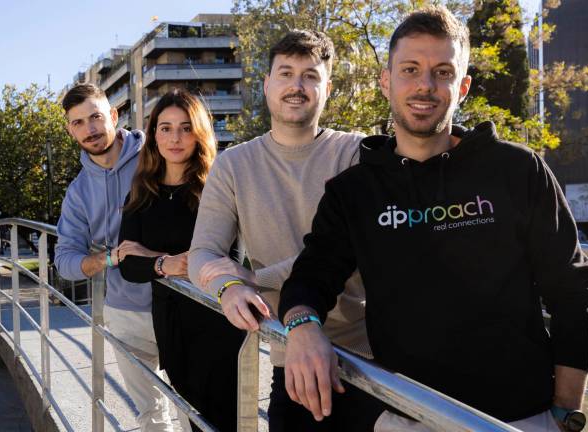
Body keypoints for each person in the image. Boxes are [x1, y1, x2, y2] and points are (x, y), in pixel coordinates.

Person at [278, 7, 588, 432]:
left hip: (521, 418)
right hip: (407, 416)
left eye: (442, 72)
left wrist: (564, 410)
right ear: (385, 80)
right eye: (410, 69)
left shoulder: (518, 170)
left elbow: (574, 291)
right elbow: (309, 279)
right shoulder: (353, 192)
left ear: (462, 86)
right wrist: (302, 327)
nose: (425, 86)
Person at [188, 30, 379, 431]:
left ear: (327, 87)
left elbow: (356, 248)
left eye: (310, 75)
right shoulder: (234, 165)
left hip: (367, 359)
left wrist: (256, 279)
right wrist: (229, 286)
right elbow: (203, 253)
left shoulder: (358, 153)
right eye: (286, 73)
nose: (297, 85)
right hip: (287, 353)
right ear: (266, 84)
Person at [116, 89, 246, 432]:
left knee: (220, 416)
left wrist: (152, 258)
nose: (175, 138)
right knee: (189, 410)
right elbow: (128, 264)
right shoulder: (142, 191)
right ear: (154, 134)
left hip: (217, 320)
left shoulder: (217, 186)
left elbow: (227, 258)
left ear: (199, 132)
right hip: (170, 318)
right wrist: (167, 264)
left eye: (186, 128)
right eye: (165, 127)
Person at [54, 84, 174, 432]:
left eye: (95, 117)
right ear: (69, 130)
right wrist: (109, 259)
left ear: (114, 116)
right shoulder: (78, 192)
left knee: (193, 409)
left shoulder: (156, 155)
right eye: (78, 123)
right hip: (125, 312)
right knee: (152, 416)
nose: (89, 129)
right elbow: (64, 261)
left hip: (180, 300)